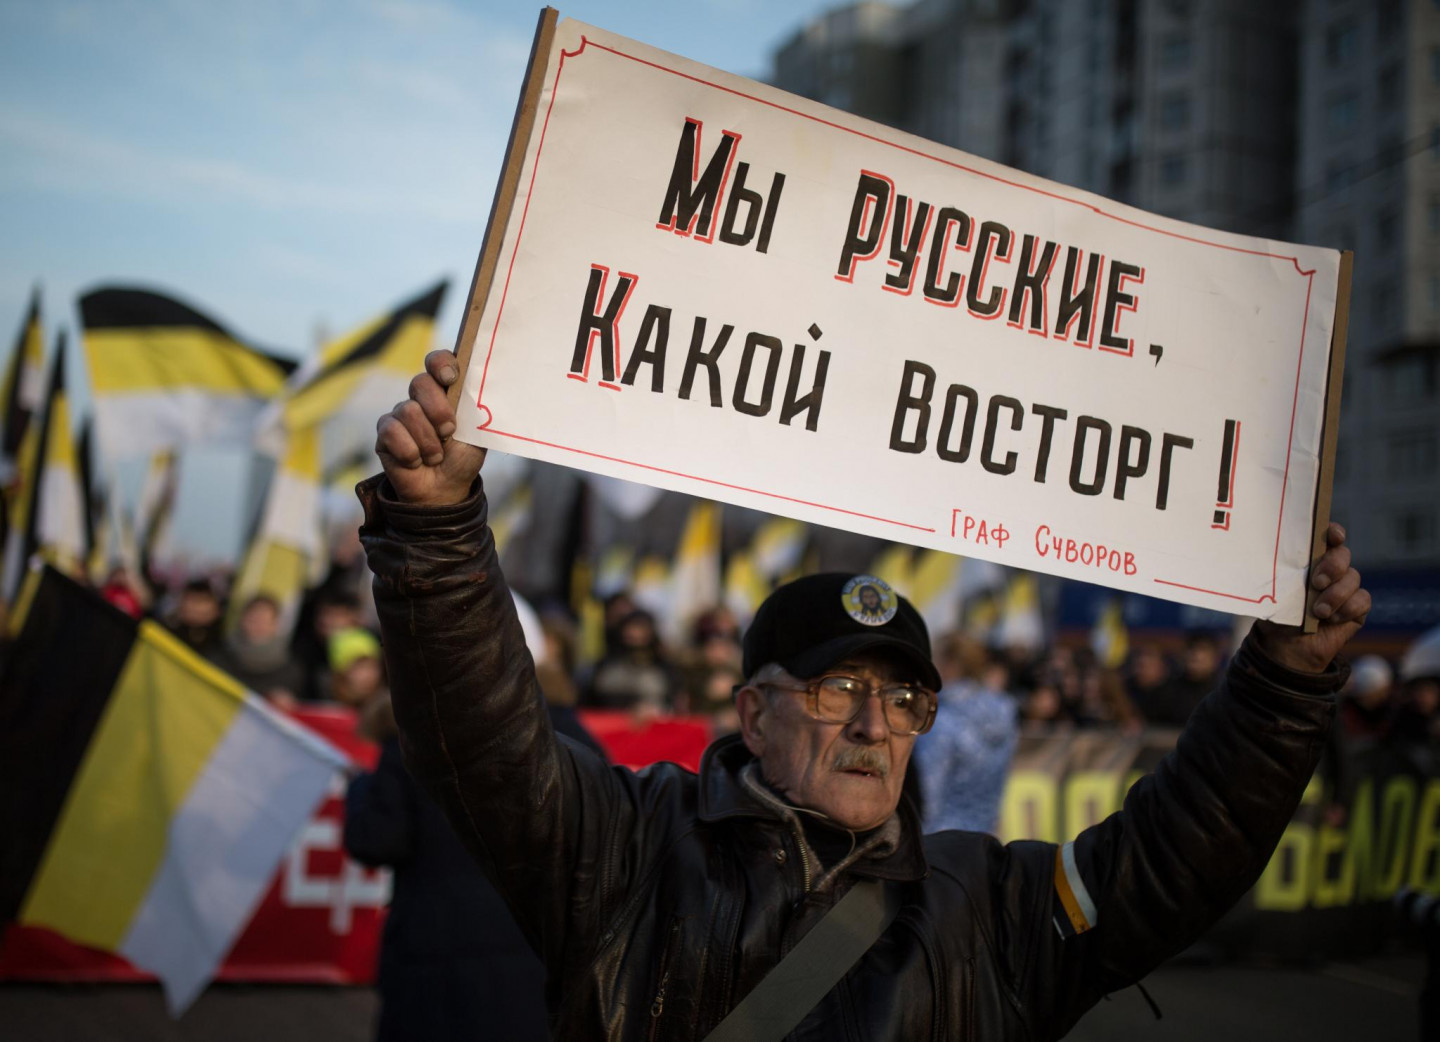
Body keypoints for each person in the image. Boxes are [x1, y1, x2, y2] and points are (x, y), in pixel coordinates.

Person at [360, 349, 1370, 1040]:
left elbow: (1173, 857)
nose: (875, 725)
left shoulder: (986, 907)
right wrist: (438, 526)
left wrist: (1283, 680)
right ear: (753, 714)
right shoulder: (632, 848)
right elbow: (485, 740)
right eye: (838, 687)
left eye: (904, 700)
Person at [208, 593, 305, 708]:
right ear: (242, 620)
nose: (258, 626)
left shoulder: (291, 670)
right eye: (253, 619)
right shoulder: (218, 658)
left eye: (265, 621)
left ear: (275, 625)